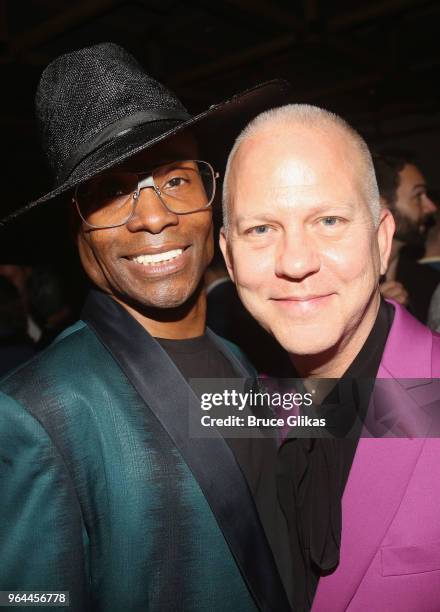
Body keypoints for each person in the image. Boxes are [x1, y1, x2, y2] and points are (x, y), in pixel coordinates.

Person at [0, 44, 292, 612]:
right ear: (78, 226)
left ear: (213, 200)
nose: (154, 216)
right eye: (112, 192)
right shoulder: (38, 410)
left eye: (177, 180)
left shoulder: (236, 358)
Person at [220, 104, 440, 611]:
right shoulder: (237, 403)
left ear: (382, 240)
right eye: (261, 230)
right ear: (229, 258)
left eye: (329, 220)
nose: (296, 262)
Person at [373, 153, 438, 322]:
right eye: (418, 195)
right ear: (383, 204)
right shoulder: (344, 276)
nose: (431, 207)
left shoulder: (427, 281)